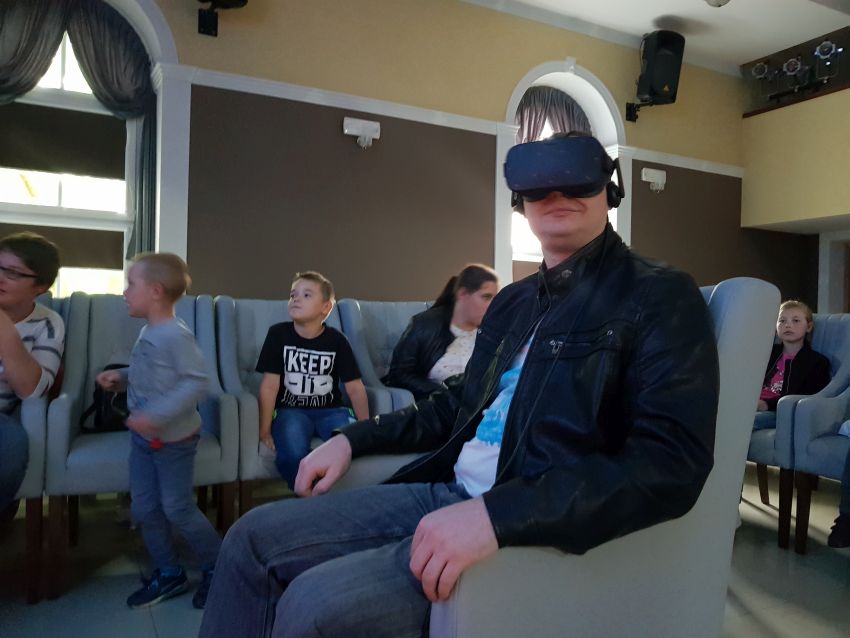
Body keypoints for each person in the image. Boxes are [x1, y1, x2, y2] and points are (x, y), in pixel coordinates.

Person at [199, 133, 719, 638]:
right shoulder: (515, 301)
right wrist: (352, 438)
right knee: (248, 538)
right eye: (539, 184)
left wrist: (499, 515)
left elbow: (670, 463)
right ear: (520, 201)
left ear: (610, 188)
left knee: (314, 605)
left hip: (526, 523)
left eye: (577, 179)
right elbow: (458, 403)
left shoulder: (658, 294)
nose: (557, 194)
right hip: (449, 494)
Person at [97, 253, 220, 610]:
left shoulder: (175, 335)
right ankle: (169, 571)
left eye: (130, 284)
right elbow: (152, 374)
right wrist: (121, 378)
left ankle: (220, 565)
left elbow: (196, 382)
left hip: (174, 442)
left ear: (155, 291)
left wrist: (155, 416)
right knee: (144, 507)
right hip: (144, 440)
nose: (125, 292)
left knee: (177, 507)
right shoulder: (148, 331)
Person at [256, 271, 369, 488]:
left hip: (332, 411)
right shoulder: (277, 335)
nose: (296, 299)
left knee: (351, 446)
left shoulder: (337, 340)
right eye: (293, 295)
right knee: (291, 453)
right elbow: (269, 386)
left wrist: (365, 427)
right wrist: (265, 430)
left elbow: (355, 387)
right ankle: (309, 494)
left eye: (306, 295)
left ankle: (333, 495)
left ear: (326, 307)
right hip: (291, 411)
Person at [0, 232, 64, 521]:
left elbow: (32, 390)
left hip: (4, 413)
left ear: (40, 287)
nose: (1, 277)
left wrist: (4, 328)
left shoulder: (47, 324)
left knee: (12, 447)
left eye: (12, 273)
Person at [384, 264, 498, 401]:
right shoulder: (425, 325)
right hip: (438, 406)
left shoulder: (491, 334)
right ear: (463, 294)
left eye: (495, 298)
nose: (493, 305)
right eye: (486, 297)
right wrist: (442, 393)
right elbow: (399, 374)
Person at [753, 300, 830, 431]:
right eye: (782, 321)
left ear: (809, 327)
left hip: (780, 411)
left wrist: (766, 404)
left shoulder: (816, 362)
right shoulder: (767, 353)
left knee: (747, 421)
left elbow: (807, 398)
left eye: (796, 321)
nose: (788, 325)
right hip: (751, 405)